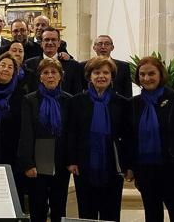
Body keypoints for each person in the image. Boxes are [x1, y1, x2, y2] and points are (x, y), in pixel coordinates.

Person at [127, 56, 174, 222]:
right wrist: (129, 166)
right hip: (146, 171)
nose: (146, 78)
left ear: (161, 75)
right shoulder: (133, 103)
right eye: (142, 74)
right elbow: (130, 138)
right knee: (152, 216)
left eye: (151, 73)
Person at [67, 56, 131, 222]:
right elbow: (72, 133)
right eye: (97, 72)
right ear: (89, 76)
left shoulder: (122, 103)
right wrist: (72, 160)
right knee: (86, 211)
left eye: (106, 72)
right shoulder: (77, 101)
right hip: (83, 163)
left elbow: (128, 135)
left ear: (112, 76)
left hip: (112, 164)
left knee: (111, 211)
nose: (101, 76)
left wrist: (128, 165)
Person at [17, 58, 71, 222]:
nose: (50, 76)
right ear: (40, 77)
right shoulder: (30, 100)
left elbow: (70, 133)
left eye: (54, 72)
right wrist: (28, 163)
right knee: (37, 206)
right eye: (45, 73)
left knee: (59, 206)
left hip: (60, 160)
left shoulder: (68, 100)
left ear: (60, 76)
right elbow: (26, 132)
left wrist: (71, 160)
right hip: (37, 159)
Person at [0, 52, 29, 208]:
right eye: (3, 65)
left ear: (15, 72)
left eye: (10, 67)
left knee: (14, 198)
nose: (6, 69)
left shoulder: (21, 94)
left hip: (13, 153)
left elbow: (24, 128)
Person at [24, 27, 82, 95]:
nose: (50, 43)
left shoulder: (72, 65)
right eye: (47, 40)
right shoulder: (29, 64)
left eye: (53, 40)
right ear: (41, 43)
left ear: (59, 43)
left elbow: (77, 93)